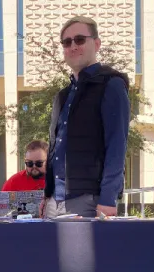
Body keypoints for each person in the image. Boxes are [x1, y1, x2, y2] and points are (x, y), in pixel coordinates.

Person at [41, 16, 130, 218]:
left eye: (80, 39)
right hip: (55, 201)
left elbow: (117, 144)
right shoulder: (62, 96)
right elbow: (55, 148)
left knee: (82, 252)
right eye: (67, 42)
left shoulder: (111, 84)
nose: (73, 46)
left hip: (89, 201)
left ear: (96, 44)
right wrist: (47, 194)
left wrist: (108, 199)